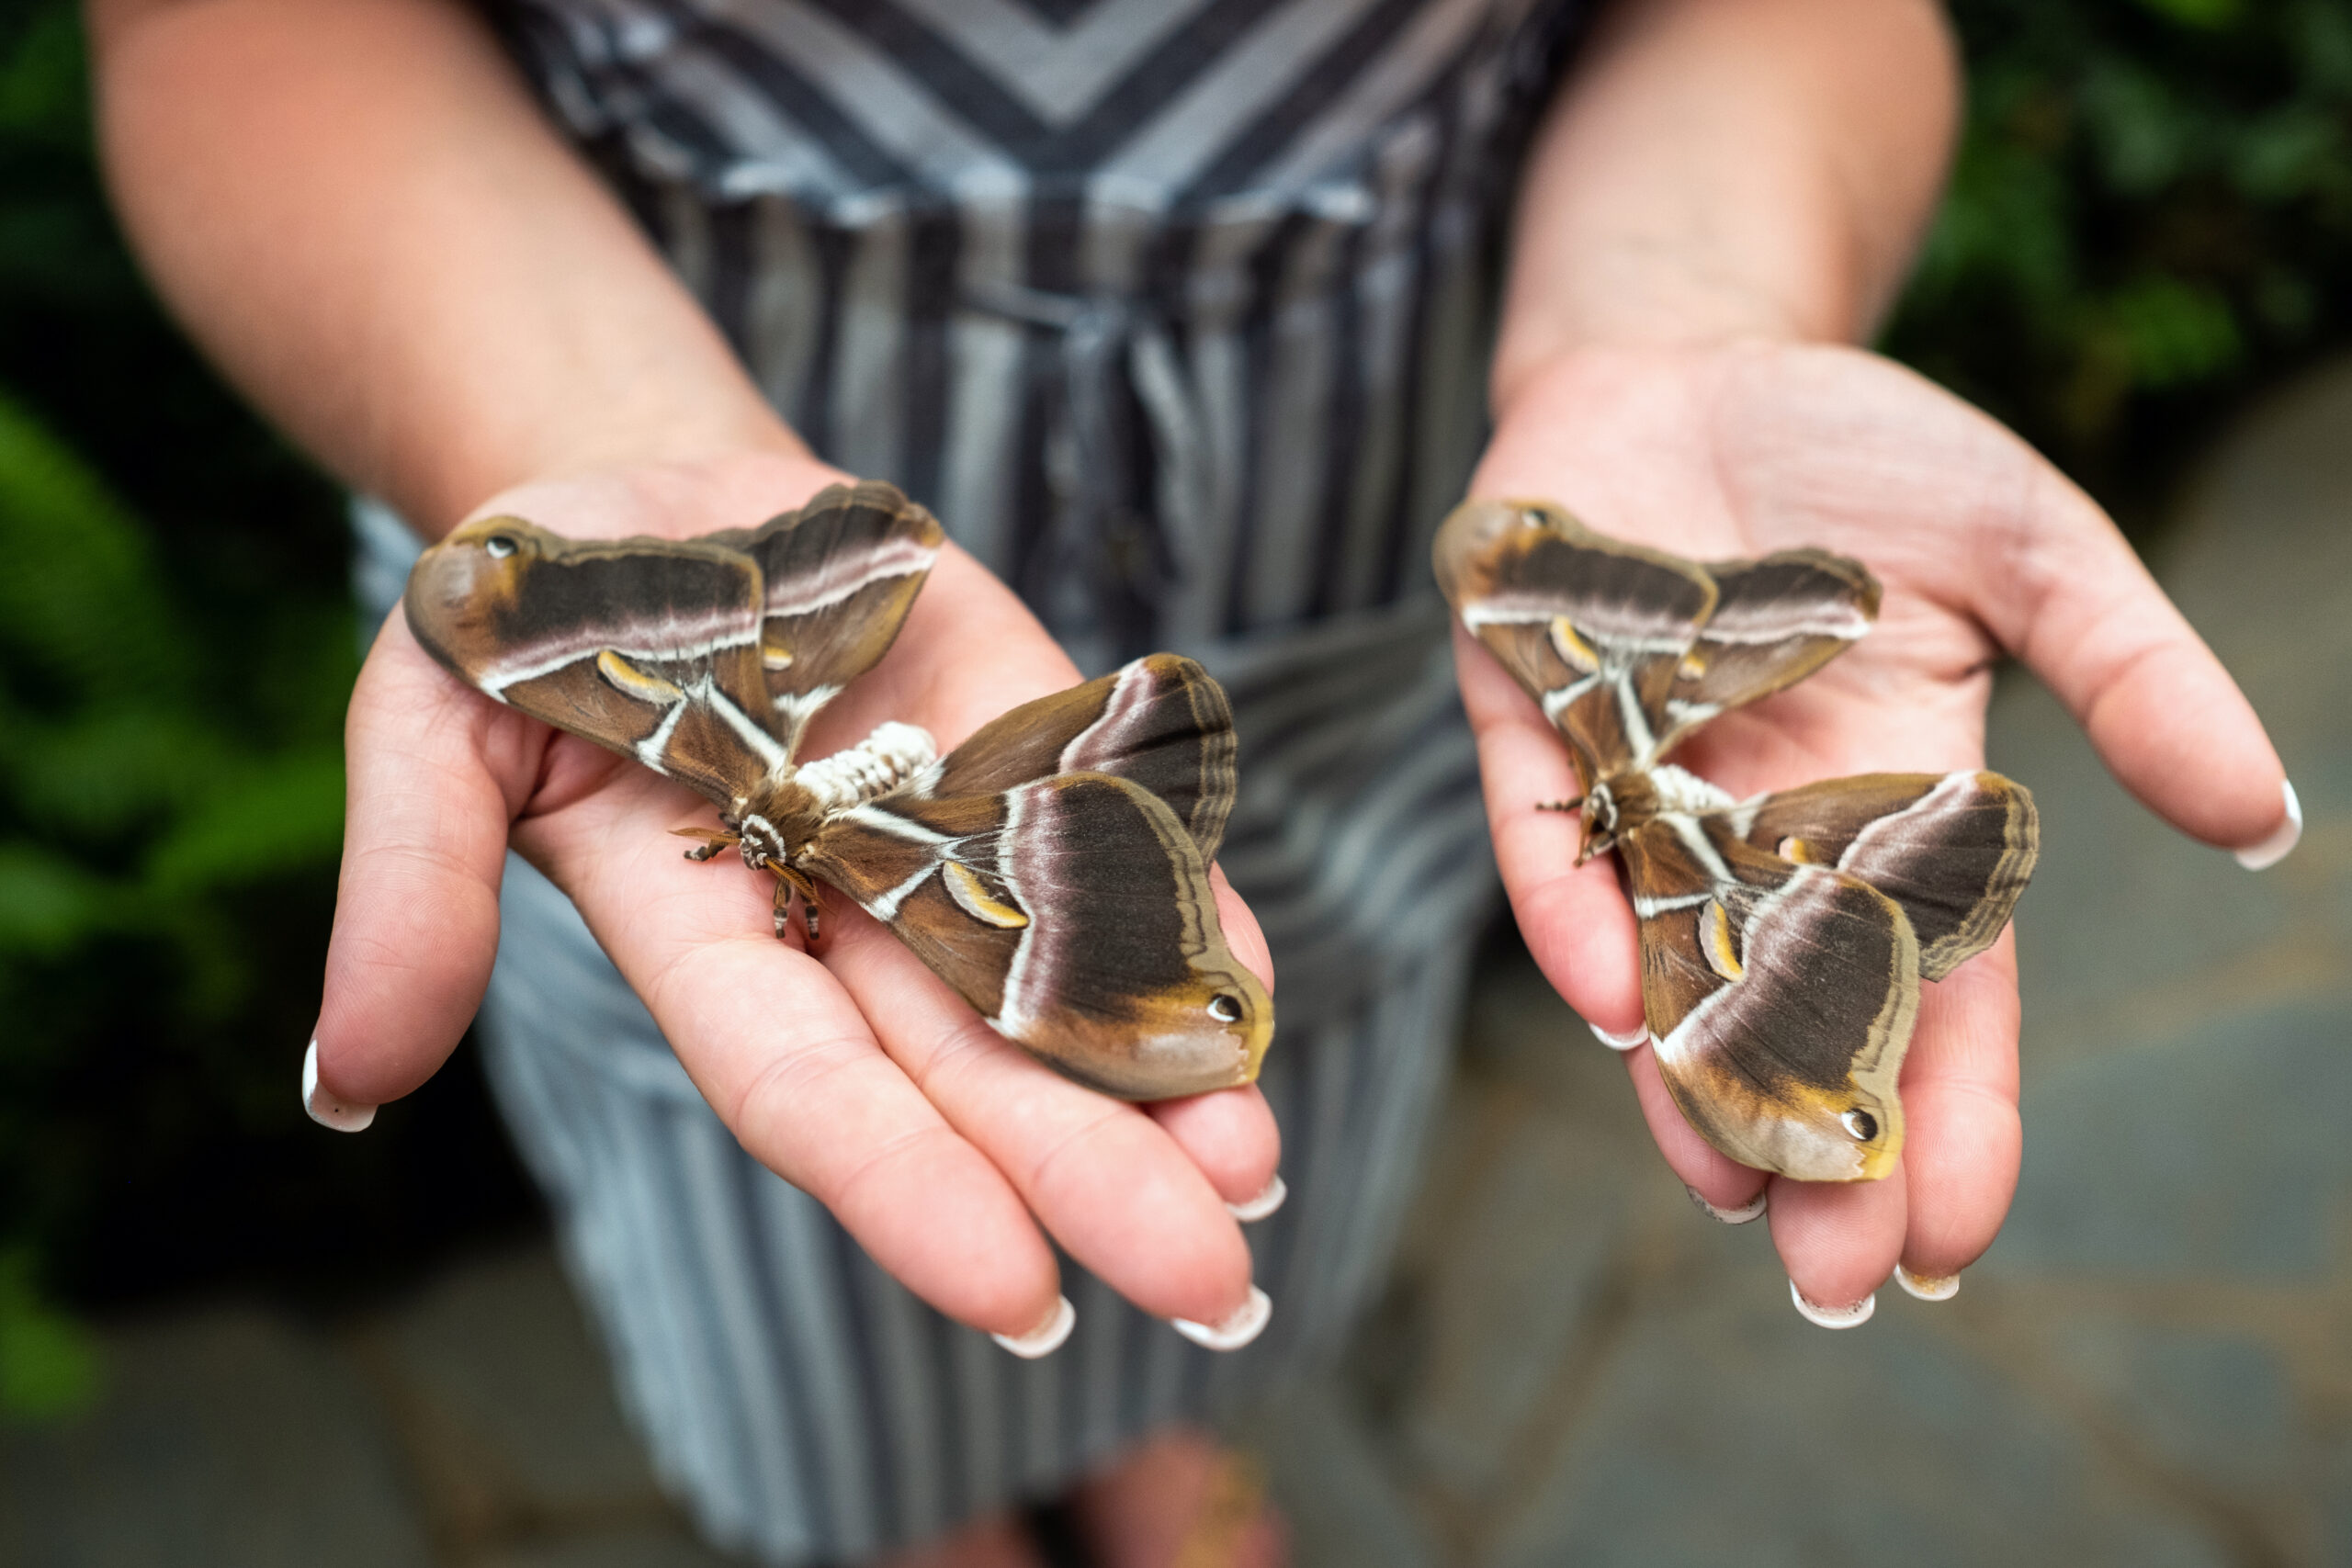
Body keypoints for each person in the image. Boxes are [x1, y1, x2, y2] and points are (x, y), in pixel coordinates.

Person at [86, 0, 2298, 1563]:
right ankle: (899, 1513)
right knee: (817, 1191)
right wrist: (551, 440)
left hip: (1367, 589)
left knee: (1260, 1133)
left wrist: (1679, 311)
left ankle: (1175, 1422)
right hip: (642, 432)